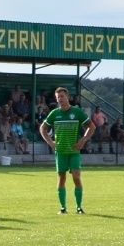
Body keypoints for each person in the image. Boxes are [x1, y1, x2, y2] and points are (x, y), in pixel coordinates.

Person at [41, 86, 93, 214]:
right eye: (58, 97)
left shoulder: (77, 112)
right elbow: (43, 128)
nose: (60, 99)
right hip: (61, 152)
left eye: (62, 96)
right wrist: (50, 142)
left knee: (76, 177)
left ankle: (79, 207)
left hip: (74, 151)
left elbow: (91, 126)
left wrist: (83, 140)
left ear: (68, 97)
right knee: (61, 178)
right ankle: (63, 208)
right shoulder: (54, 113)